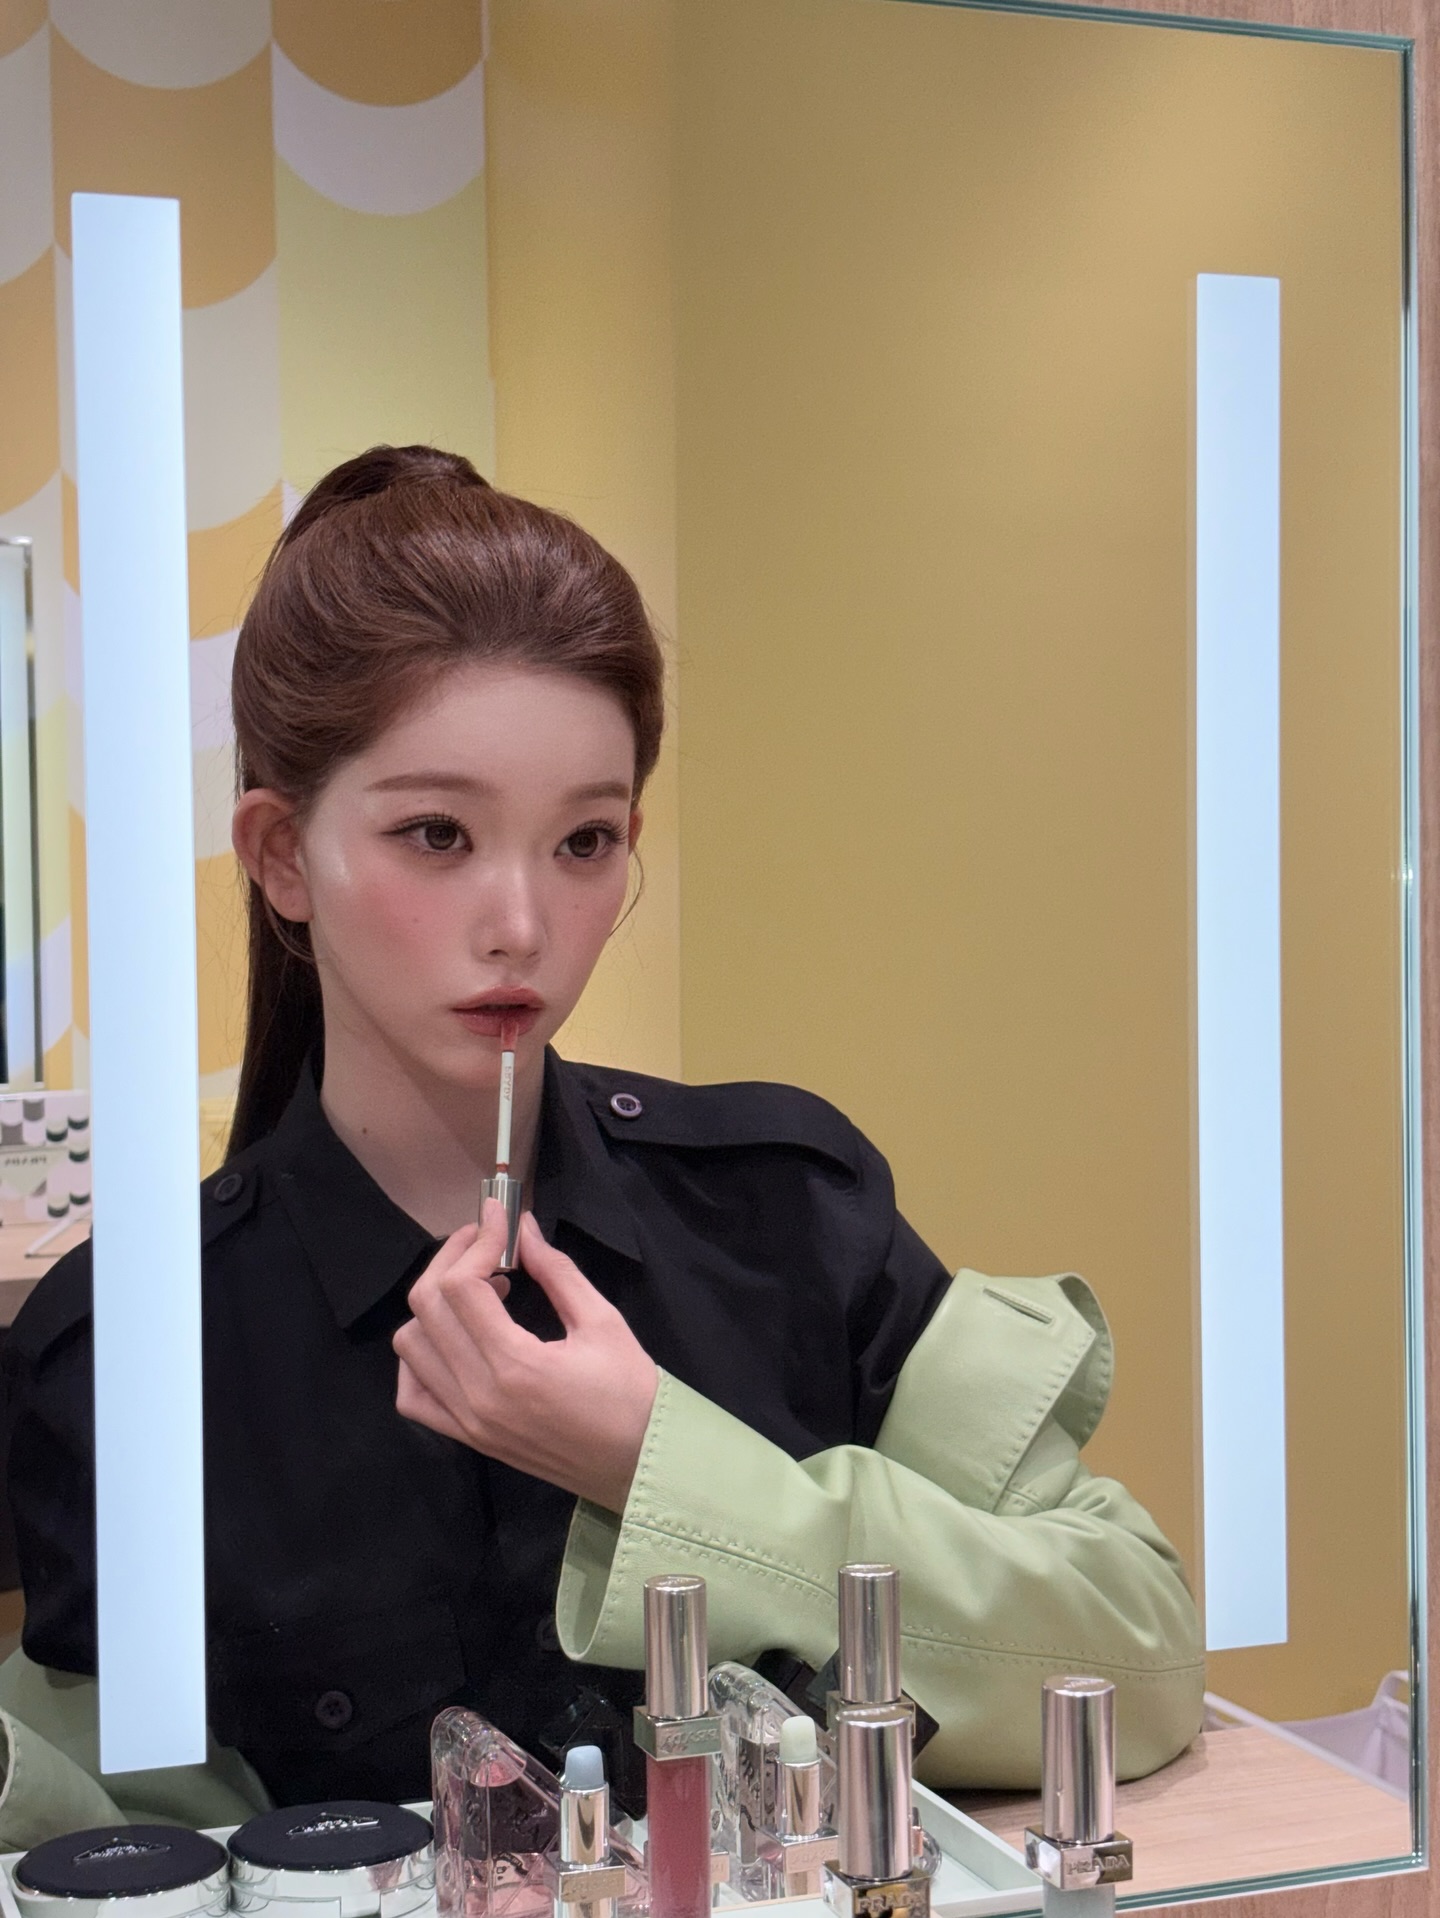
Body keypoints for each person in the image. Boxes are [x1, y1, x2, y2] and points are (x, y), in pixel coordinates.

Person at [0, 447, 1203, 1840]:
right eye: (437, 834)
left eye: (583, 842)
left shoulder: (791, 1216)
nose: (522, 923)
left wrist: (658, 1466)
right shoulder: (136, 1345)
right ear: (281, 855)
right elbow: (125, 1851)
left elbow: (1134, 1658)